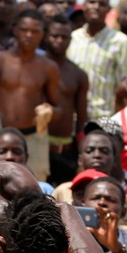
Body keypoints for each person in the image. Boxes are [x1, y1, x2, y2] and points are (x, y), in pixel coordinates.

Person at [0, 9, 60, 182]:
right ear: (15, 30)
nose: (29, 35)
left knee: (35, 184)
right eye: (24, 30)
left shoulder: (48, 67)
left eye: (35, 31)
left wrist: (49, 111)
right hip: (2, 137)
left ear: (43, 34)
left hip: (35, 137)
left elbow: (58, 106)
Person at [67, 0, 127, 122]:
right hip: (73, 118)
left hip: (106, 118)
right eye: (92, 2)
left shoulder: (120, 41)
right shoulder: (73, 38)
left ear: (108, 9)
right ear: (84, 6)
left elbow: (125, 85)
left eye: (102, 4)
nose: (96, 7)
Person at [43, 15, 89, 185]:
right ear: (46, 35)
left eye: (64, 37)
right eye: (55, 36)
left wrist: (81, 151)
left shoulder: (77, 74)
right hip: (38, 147)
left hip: (65, 150)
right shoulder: (35, 67)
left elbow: (82, 117)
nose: (59, 41)